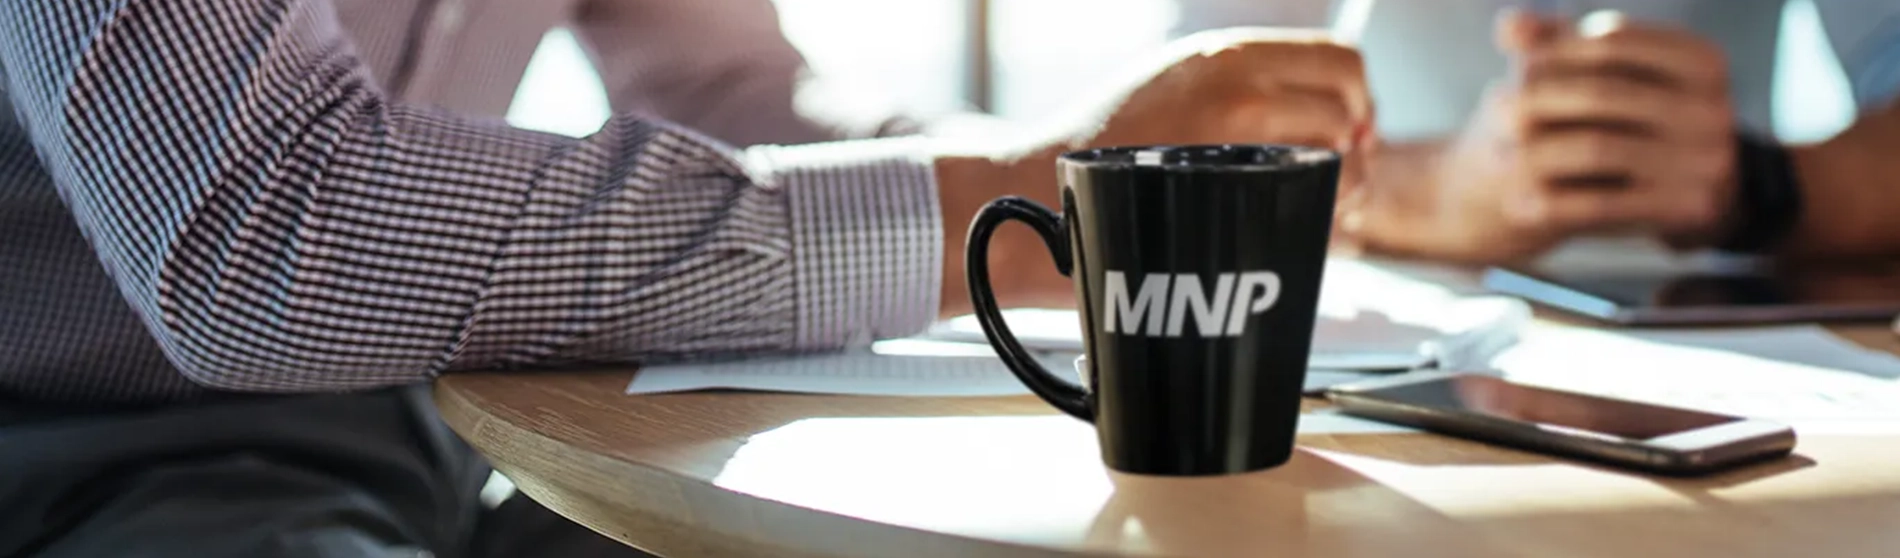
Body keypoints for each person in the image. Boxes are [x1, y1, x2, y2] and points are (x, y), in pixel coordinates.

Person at [0, 1, 1372, 556]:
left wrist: (1105, 168)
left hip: (426, 430)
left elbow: (740, 98)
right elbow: (271, 233)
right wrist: (1031, 204)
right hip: (76, 452)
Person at [1179, 0, 1900, 264]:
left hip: (1727, 330)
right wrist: (1428, 196)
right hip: (1375, 321)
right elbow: (1196, 132)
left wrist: (1762, 186)